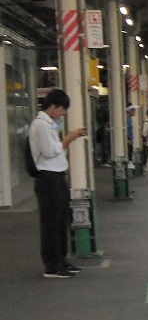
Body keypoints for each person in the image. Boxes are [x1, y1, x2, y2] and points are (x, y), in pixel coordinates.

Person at [29, 88, 86, 278]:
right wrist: (67, 138)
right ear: (54, 106)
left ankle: (61, 259)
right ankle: (52, 265)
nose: (62, 113)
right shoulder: (41, 124)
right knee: (51, 222)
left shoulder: (50, 124)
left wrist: (66, 141)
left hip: (57, 175)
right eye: (62, 109)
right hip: (47, 177)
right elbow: (48, 151)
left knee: (61, 220)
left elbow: (56, 151)